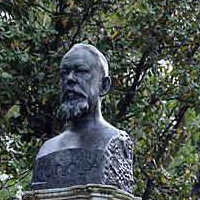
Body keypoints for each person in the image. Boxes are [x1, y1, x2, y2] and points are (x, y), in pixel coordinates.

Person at [31, 43, 133, 192]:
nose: (70, 79)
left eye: (81, 71)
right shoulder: (46, 150)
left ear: (104, 86)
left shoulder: (115, 143)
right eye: (64, 73)